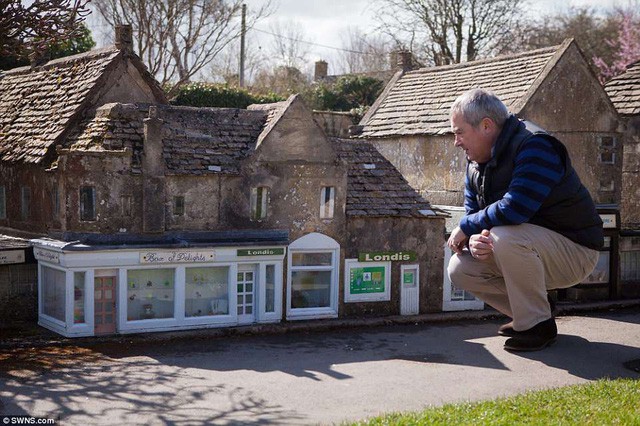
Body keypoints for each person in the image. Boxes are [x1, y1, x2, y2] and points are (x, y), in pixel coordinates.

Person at [446, 88, 603, 352]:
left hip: (576, 250)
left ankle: (537, 326)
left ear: (486, 126)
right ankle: (535, 312)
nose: (456, 141)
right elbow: (473, 216)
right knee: (460, 268)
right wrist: (475, 241)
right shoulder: (474, 164)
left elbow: (516, 207)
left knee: (506, 237)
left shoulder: (535, 145)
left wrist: (467, 227)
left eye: (459, 132)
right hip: (527, 249)